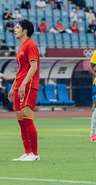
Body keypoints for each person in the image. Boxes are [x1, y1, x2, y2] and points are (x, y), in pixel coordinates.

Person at [9, 19, 40, 161]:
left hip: (28, 86)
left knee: (27, 118)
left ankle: (34, 154)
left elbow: (33, 67)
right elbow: (21, 69)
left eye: (17, 27)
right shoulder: (21, 46)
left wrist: (23, 84)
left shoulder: (31, 45)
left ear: (25, 30)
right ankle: (27, 152)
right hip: (19, 85)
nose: (15, 29)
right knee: (21, 120)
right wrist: (13, 86)